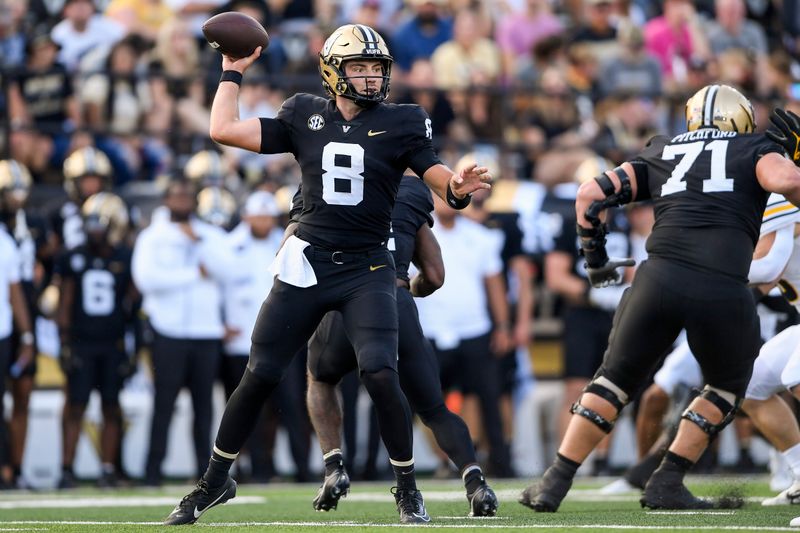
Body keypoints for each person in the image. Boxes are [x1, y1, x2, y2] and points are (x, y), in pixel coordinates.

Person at [164, 23, 491, 525]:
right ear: (333, 72)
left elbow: (443, 184)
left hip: (368, 265)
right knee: (261, 374)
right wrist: (231, 71)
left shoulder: (403, 121)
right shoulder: (302, 114)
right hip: (309, 259)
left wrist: (461, 186)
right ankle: (213, 481)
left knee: (381, 371)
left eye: (376, 68)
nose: (370, 77)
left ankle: (407, 488)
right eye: (358, 67)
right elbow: (223, 130)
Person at [519, 84, 800, 512]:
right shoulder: (755, 147)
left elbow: (589, 195)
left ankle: (554, 482)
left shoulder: (662, 150)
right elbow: (788, 181)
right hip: (721, 285)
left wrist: (595, 259)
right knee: (727, 387)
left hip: (658, 278)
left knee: (613, 380)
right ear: (740, 118)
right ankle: (667, 479)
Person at [303, 175, 498, 517]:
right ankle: (475, 482)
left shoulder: (328, 178)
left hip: (342, 300)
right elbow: (435, 275)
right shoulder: (409, 190)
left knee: (320, 377)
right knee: (433, 408)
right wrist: (408, 290)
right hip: (392, 299)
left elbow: (295, 250)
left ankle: (333, 464)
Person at [132, 178, 235, 487]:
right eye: (176, 196)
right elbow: (147, 279)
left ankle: (206, 475)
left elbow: (230, 271)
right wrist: (192, 274)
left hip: (205, 332)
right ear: (166, 199)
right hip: (169, 331)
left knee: (205, 408)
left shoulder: (210, 235)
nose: (182, 201)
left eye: (187, 196)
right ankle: (153, 472)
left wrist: (198, 243)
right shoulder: (153, 237)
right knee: (164, 404)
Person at [56, 192, 133, 488]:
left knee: (111, 407)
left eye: (100, 222)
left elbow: (130, 305)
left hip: (111, 344)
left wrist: (131, 347)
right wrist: (65, 342)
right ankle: (66, 469)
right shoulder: (73, 256)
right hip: (82, 343)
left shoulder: (123, 257)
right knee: (75, 405)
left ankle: (107, 468)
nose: (94, 229)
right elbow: (65, 302)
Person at [0, 160, 55, 488]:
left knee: (23, 394)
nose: (17, 198)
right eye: (10, 191)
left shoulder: (34, 221)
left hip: (25, 317)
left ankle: (16, 469)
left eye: (21, 190)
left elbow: (52, 261)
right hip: (12, 317)